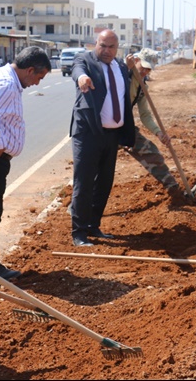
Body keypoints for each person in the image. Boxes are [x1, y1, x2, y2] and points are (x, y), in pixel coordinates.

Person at [0, 46, 51, 280]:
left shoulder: (1, 76)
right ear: (30, 70)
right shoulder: (7, 84)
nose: (38, 83)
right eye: (39, 77)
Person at [69, 29, 136, 247]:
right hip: (88, 132)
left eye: (111, 47)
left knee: (104, 182)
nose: (106, 51)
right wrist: (82, 78)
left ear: (118, 48)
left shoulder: (120, 67)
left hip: (111, 134)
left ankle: (93, 225)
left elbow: (122, 94)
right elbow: (76, 69)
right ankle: (79, 233)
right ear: (95, 44)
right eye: (102, 45)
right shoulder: (85, 60)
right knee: (84, 181)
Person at [123, 48, 179, 191]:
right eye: (143, 67)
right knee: (98, 166)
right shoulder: (121, 74)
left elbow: (145, 115)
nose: (145, 72)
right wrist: (125, 68)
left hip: (124, 128)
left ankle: (174, 189)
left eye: (148, 70)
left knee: (151, 153)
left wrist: (158, 133)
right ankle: (79, 205)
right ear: (136, 61)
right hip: (104, 129)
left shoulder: (142, 87)